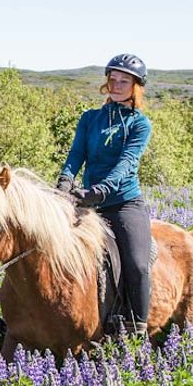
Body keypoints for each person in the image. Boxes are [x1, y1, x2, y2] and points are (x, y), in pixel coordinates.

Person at [57, 53, 153, 335]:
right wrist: (65, 180)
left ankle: (137, 326)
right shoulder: (90, 118)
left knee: (137, 264)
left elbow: (127, 163)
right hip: (86, 200)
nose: (117, 84)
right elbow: (77, 153)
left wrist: (101, 190)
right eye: (113, 79)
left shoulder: (139, 124)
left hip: (123, 203)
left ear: (136, 86)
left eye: (124, 80)